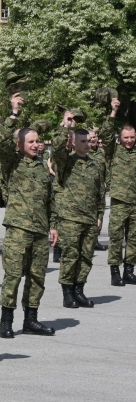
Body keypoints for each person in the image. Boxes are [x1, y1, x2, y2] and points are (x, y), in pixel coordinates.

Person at [0, 93, 57, 338]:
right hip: (19, 229)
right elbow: (1, 141)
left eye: (37, 141)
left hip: (40, 231)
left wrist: (53, 226)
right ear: (19, 145)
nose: (35, 144)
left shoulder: (43, 167)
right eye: (29, 141)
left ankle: (31, 319)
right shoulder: (12, 163)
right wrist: (14, 113)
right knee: (13, 276)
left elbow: (49, 200)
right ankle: (6, 320)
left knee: (37, 277)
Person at [51, 113, 106, 307]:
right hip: (70, 218)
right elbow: (57, 148)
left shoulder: (96, 163)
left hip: (90, 218)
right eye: (82, 141)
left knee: (86, 257)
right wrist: (65, 126)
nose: (86, 144)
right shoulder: (66, 162)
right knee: (70, 256)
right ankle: (67, 293)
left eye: (87, 141)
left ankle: (79, 290)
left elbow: (100, 192)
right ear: (73, 143)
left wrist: (100, 216)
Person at [99, 99, 136, 285]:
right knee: (116, 236)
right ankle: (115, 271)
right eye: (126, 137)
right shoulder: (113, 151)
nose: (129, 141)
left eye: (132, 137)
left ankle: (129, 270)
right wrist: (113, 112)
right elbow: (105, 133)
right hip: (120, 201)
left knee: (134, 238)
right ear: (120, 138)